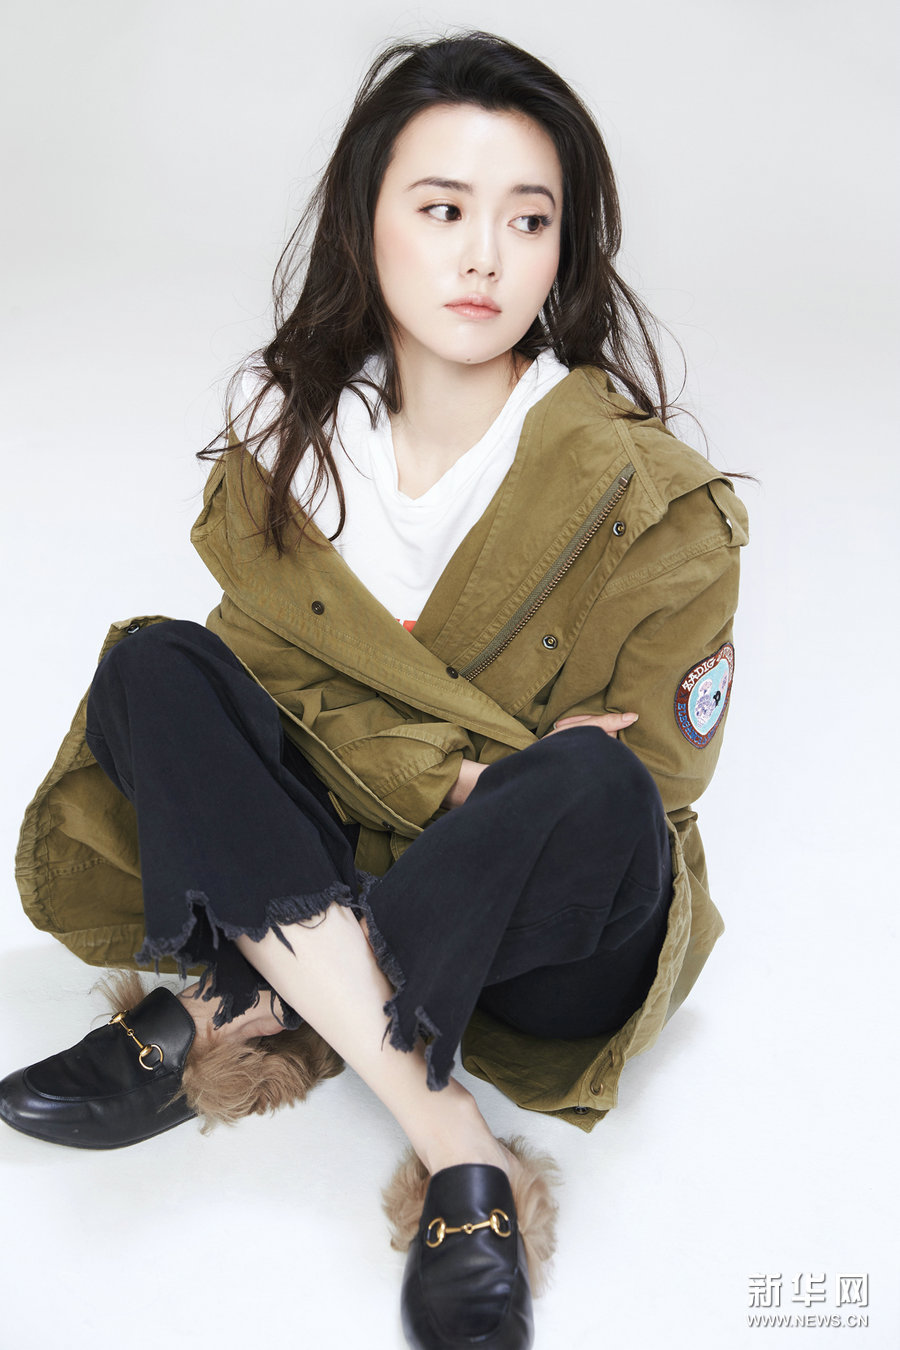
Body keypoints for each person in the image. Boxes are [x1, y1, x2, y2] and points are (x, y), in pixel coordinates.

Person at [1, 31, 748, 1350]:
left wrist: (456, 775)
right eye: (444, 209)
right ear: (367, 222)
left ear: (565, 249)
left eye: (528, 220)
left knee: (593, 782)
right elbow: (252, 683)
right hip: (346, 868)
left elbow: (653, 778)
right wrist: (459, 775)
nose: (484, 258)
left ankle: (242, 1001)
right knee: (154, 664)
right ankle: (458, 1146)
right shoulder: (293, 451)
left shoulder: (652, 499)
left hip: (542, 945)